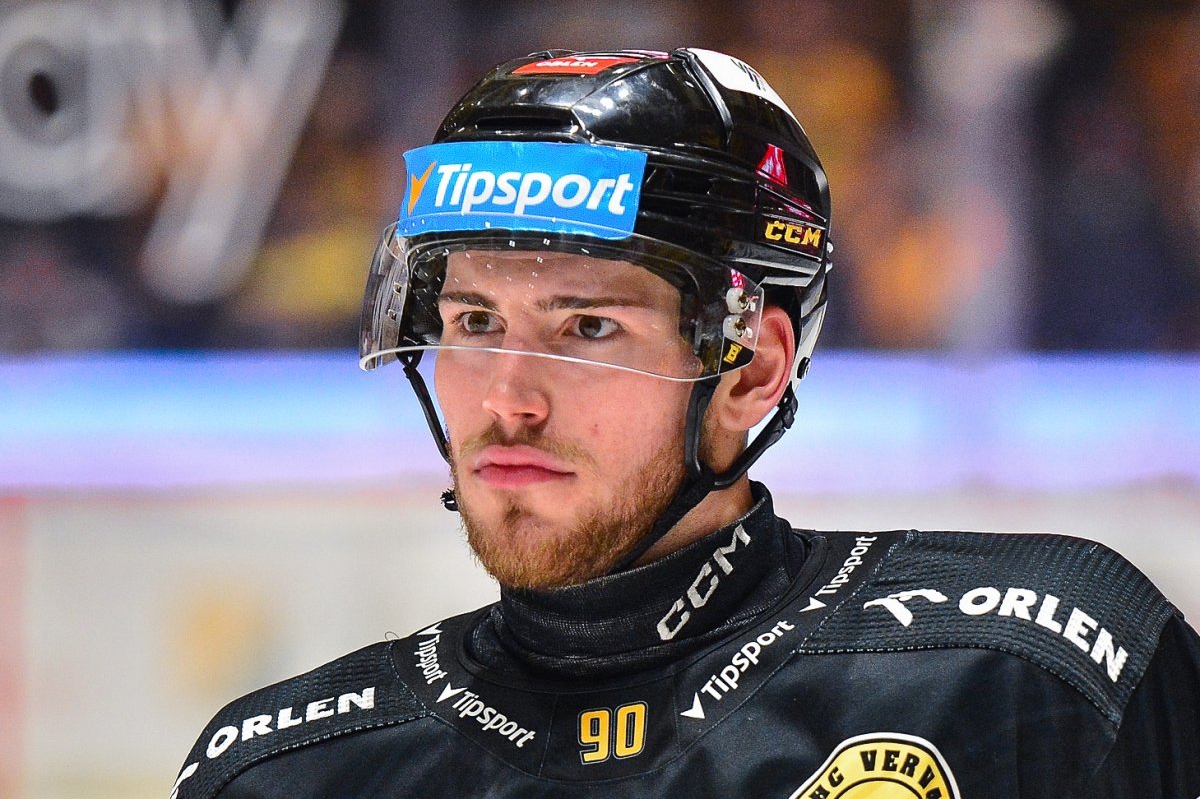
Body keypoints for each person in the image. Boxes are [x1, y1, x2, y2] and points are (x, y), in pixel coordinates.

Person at [171, 48, 1200, 798]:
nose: (506, 397)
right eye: (474, 322)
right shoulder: (287, 771)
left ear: (753, 370)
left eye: (587, 326)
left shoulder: (1032, 677)